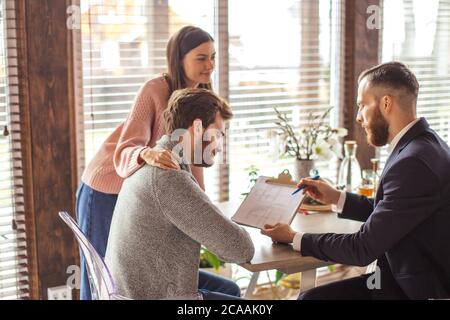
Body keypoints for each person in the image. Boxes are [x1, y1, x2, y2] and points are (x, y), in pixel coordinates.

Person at [76, 26, 240, 300]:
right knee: (102, 282)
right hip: (107, 186)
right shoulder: (155, 89)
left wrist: (202, 208)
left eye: (213, 57)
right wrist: (146, 153)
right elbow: (127, 146)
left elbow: (194, 157)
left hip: (143, 190)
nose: (210, 65)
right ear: (179, 58)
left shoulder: (200, 96)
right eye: (201, 58)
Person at [261, 62, 450, 300]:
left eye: (362, 105)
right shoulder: (423, 145)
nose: (359, 117)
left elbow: (362, 248)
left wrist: (293, 237)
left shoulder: (413, 162)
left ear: (386, 103)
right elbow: (392, 213)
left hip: (410, 291)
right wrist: (337, 198)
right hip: (393, 280)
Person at [105, 88, 254, 300]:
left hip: (136, 284)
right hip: (149, 295)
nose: (220, 147)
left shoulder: (155, 161)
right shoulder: (169, 177)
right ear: (198, 127)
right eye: (218, 135)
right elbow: (241, 250)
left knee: (229, 290)